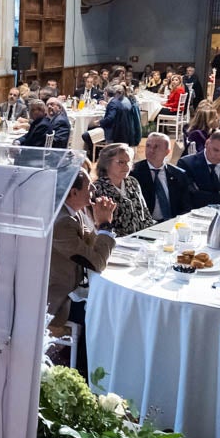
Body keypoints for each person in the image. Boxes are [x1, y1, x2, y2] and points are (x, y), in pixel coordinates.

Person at [49, 171, 117, 372]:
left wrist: (99, 223)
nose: (94, 191)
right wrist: (105, 225)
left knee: (107, 304)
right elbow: (96, 261)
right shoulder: (62, 221)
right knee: (102, 313)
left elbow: (91, 244)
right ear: (73, 192)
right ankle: (85, 372)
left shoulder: (73, 212)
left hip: (76, 288)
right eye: (89, 187)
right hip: (58, 298)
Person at [92, 143, 155, 236]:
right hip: (117, 243)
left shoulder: (133, 182)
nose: (127, 167)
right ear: (106, 164)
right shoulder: (97, 188)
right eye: (121, 162)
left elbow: (145, 213)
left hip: (142, 239)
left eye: (129, 162)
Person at [178, 130, 220, 208]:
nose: (218, 156)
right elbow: (190, 197)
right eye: (216, 150)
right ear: (207, 143)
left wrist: (205, 195)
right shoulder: (186, 164)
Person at [132, 132, 190, 222]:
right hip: (145, 225)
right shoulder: (134, 173)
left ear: (167, 152)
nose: (151, 150)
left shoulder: (178, 174)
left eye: (156, 147)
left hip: (172, 223)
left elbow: (185, 205)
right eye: (148, 146)